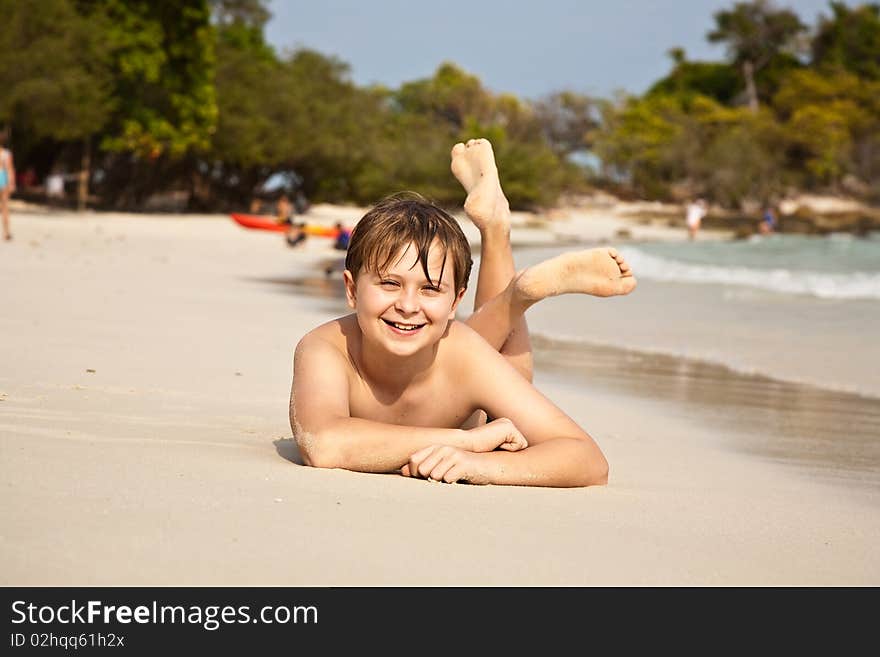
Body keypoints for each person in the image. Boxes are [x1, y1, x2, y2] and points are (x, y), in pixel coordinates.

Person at [289, 139, 637, 487]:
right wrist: (468, 443)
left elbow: (589, 461)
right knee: (454, 342)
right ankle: (508, 275)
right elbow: (324, 445)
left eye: (430, 289)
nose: (407, 306)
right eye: (390, 284)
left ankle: (509, 268)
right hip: (469, 415)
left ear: (456, 302)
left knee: (509, 368)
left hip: (469, 381)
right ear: (351, 290)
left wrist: (478, 466)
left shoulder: (466, 356)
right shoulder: (326, 348)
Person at [0, 131, 16, 241]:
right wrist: (12, 183)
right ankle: (6, 233)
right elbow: (9, 169)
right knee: (5, 206)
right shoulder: (6, 154)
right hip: (2, 177)